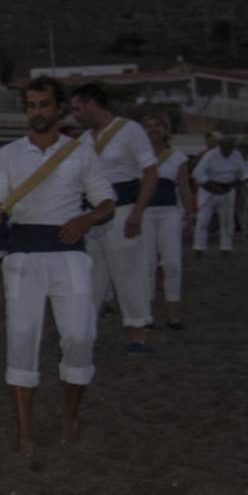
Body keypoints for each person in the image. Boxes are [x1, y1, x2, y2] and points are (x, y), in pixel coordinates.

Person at [0, 77, 115, 456]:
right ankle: (25, 431)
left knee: (79, 336)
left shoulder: (82, 153)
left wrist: (86, 221)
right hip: (22, 255)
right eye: (30, 105)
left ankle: (70, 417)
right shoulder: (8, 154)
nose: (37, 112)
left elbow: (106, 202)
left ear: (58, 108)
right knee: (22, 337)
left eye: (44, 104)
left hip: (70, 254)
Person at [69, 82, 158, 353]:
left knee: (129, 271)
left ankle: (137, 333)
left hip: (123, 209)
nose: (74, 114)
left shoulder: (130, 131)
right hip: (91, 213)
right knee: (90, 275)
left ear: (91, 104)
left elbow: (150, 173)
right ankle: (86, 334)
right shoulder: (82, 141)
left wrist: (137, 213)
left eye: (77, 108)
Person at [140, 113, 194, 329]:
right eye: (148, 126)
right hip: (145, 213)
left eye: (157, 125)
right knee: (147, 265)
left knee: (172, 263)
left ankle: (173, 314)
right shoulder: (138, 158)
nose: (153, 130)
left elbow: (184, 188)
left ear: (165, 130)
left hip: (169, 214)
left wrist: (190, 215)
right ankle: (146, 313)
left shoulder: (178, 158)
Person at [192, 134, 248, 256]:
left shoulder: (237, 155)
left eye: (232, 146)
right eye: (227, 145)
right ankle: (199, 247)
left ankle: (226, 247)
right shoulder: (210, 155)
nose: (229, 148)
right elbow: (197, 173)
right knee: (203, 220)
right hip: (209, 190)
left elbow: (243, 171)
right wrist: (211, 186)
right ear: (221, 145)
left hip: (228, 190)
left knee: (227, 220)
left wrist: (246, 180)